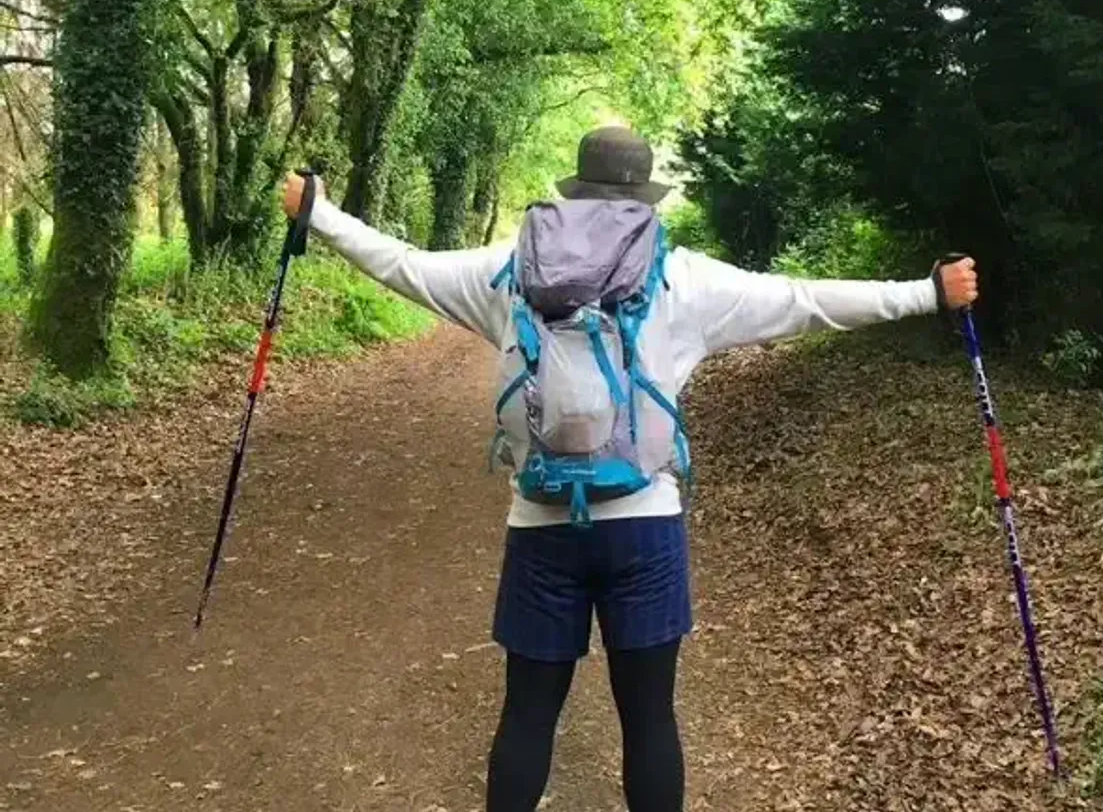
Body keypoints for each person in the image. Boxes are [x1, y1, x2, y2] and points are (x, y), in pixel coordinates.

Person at [282, 126, 978, 812]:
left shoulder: (509, 270)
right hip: (645, 526)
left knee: (526, 715)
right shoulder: (682, 276)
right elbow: (803, 301)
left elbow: (404, 264)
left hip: (541, 526)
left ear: (577, 188)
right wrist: (926, 291)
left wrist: (320, 213)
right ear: (644, 195)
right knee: (649, 721)